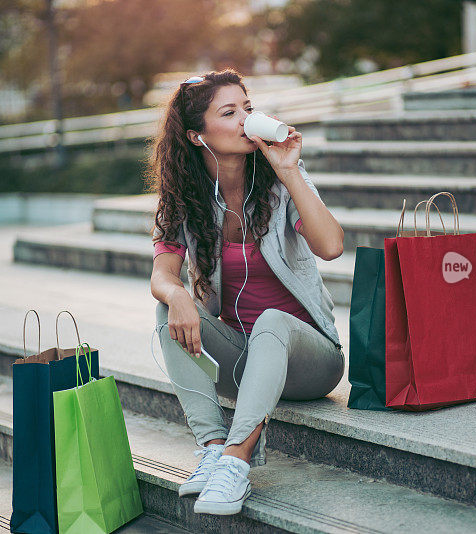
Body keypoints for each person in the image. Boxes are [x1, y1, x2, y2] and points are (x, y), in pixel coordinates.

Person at [147, 68, 345, 516]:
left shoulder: (280, 180)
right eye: (229, 112)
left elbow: (331, 246)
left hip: (311, 360)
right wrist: (177, 294)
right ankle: (214, 450)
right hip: (246, 362)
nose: (244, 119)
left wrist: (290, 170)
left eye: (247, 109)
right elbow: (162, 275)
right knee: (167, 309)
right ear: (198, 136)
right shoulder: (185, 195)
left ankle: (237, 464)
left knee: (273, 320)